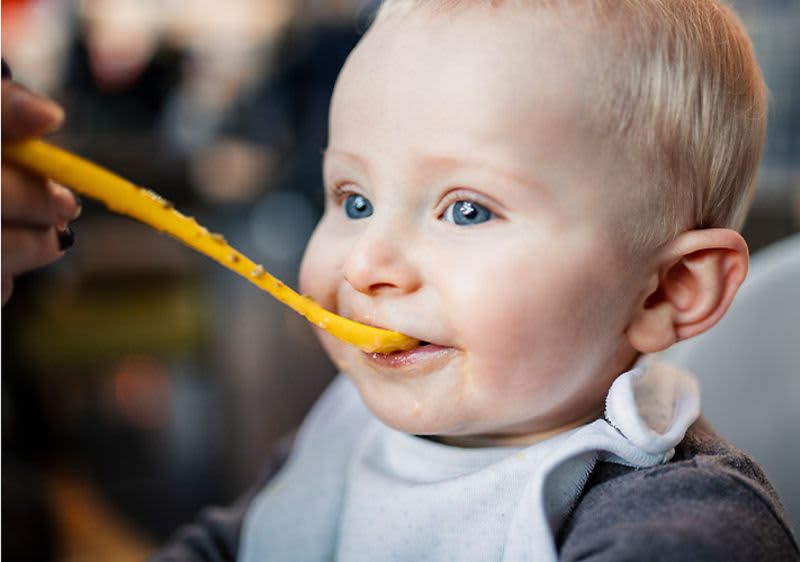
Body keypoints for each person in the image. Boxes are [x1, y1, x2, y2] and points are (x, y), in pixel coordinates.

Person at [3, 2, 799, 561]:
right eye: (353, 199)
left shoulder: (682, 529)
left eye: (466, 211)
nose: (367, 264)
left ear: (669, 291)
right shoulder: (351, 421)